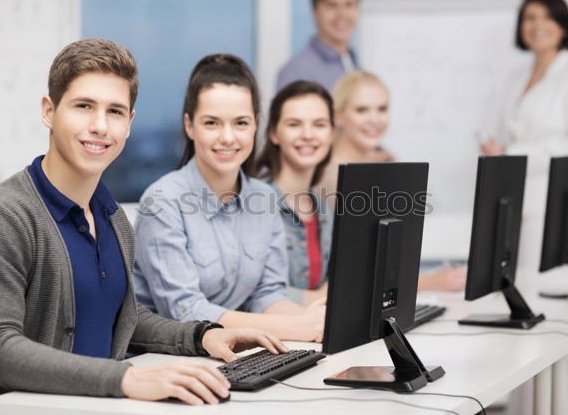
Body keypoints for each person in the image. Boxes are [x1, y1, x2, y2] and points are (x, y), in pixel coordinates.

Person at [0, 39, 288, 415]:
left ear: (129, 123)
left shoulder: (113, 220)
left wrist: (201, 336)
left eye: (115, 111)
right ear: (49, 111)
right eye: (83, 106)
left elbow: (122, 316)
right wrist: (127, 378)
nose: (99, 126)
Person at [133, 54, 326, 343]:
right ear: (189, 126)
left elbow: (267, 294)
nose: (228, 137)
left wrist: (316, 321)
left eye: (241, 123)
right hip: (166, 358)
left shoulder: (264, 198)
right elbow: (186, 310)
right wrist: (296, 328)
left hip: (233, 354)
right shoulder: (162, 202)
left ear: (256, 125)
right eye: (211, 123)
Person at [479, 0, 568, 276]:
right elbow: (513, 132)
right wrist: (494, 146)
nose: (537, 25)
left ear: (563, 26)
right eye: (530, 18)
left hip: (550, 200)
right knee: (510, 280)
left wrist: (513, 154)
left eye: (548, 18)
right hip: (512, 197)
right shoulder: (516, 77)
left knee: (542, 283)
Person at [317, 70, 466, 292]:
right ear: (337, 116)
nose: (374, 119)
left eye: (382, 109)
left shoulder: (381, 160)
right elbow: (359, 268)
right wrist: (432, 282)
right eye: (361, 110)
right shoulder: (333, 177)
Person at [256, 81, 335, 305]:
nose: (308, 135)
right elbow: (250, 292)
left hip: (312, 334)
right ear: (273, 133)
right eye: (294, 124)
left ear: (331, 133)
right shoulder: (254, 204)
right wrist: (318, 298)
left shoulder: (326, 212)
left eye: (319, 124)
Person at [276, 0, 361, 92]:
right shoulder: (296, 72)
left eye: (349, 5)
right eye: (331, 5)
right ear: (315, 13)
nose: (342, 14)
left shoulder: (355, 64)